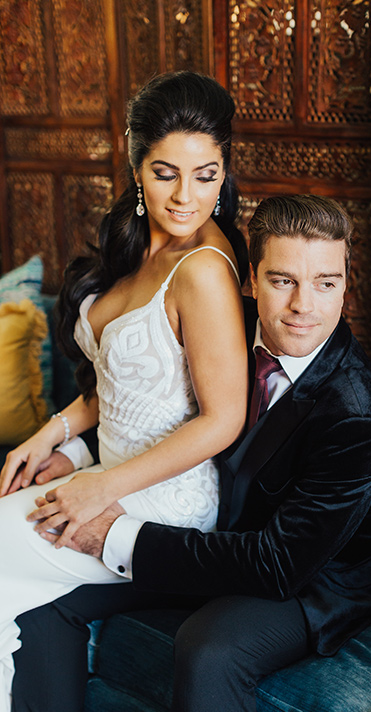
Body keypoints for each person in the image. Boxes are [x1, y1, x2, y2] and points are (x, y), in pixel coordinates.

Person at [13, 194, 371, 712]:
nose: (303, 307)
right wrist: (74, 450)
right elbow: (159, 409)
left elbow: (276, 565)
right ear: (250, 280)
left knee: (208, 649)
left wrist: (114, 536)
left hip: (311, 574)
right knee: (44, 600)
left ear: (344, 285)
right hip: (214, 531)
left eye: (326, 283)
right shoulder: (222, 319)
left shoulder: (356, 412)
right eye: (283, 280)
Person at [0, 70, 250, 710]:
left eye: (207, 174)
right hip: (109, 473)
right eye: (166, 172)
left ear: (225, 171)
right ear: (135, 164)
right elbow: (126, 386)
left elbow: (223, 419)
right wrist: (53, 437)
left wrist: (98, 486)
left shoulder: (206, 271)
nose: (186, 197)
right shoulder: (140, 244)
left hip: (163, 506)